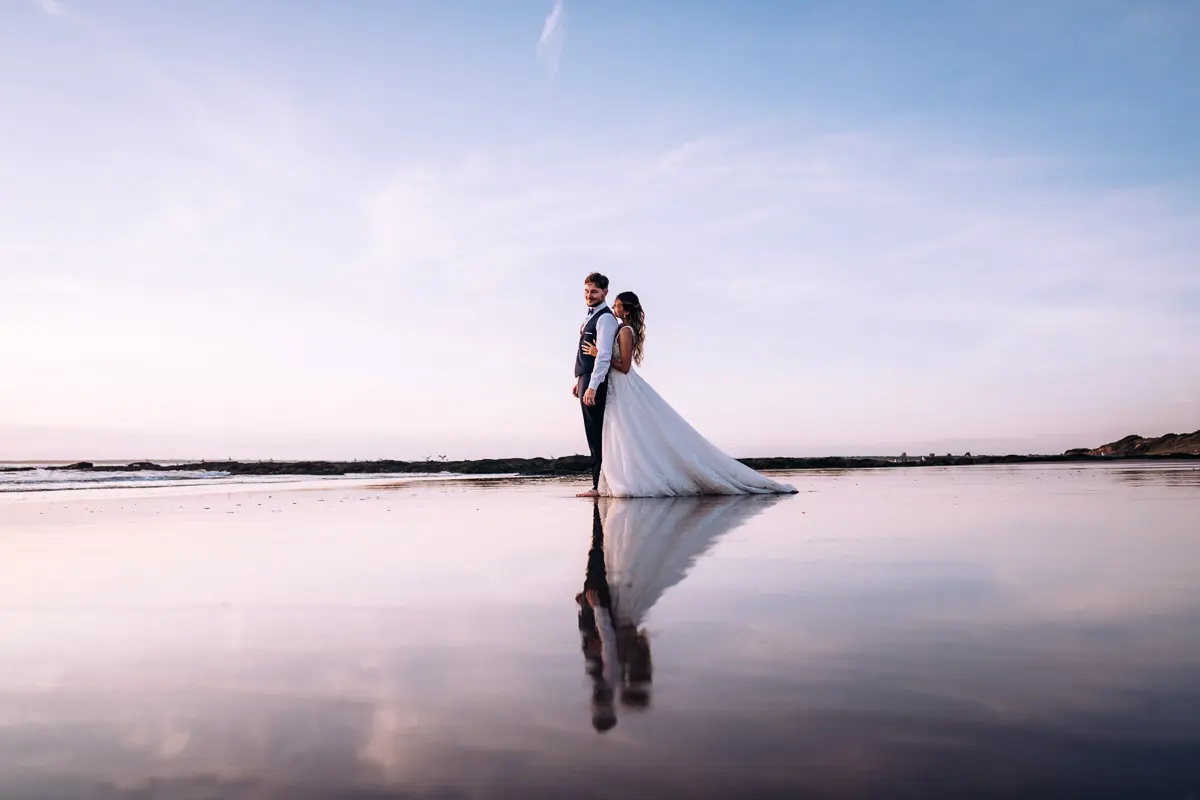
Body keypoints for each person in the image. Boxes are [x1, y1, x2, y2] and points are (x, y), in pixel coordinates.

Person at [582, 291, 798, 497]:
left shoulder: (625, 331)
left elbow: (625, 366)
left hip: (623, 385)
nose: (613, 308)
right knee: (623, 433)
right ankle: (621, 475)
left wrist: (600, 354)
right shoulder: (620, 328)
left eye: (617, 305)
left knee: (630, 431)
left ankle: (634, 477)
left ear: (626, 310)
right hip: (615, 387)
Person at [572, 272, 620, 498]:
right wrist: (579, 380)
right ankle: (599, 483)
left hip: (595, 380)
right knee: (592, 432)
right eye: (586, 292)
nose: (589, 296)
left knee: (596, 432)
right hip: (585, 377)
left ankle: (597, 485)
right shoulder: (590, 316)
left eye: (594, 292)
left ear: (605, 293)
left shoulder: (605, 319)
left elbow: (603, 356)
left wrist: (592, 386)